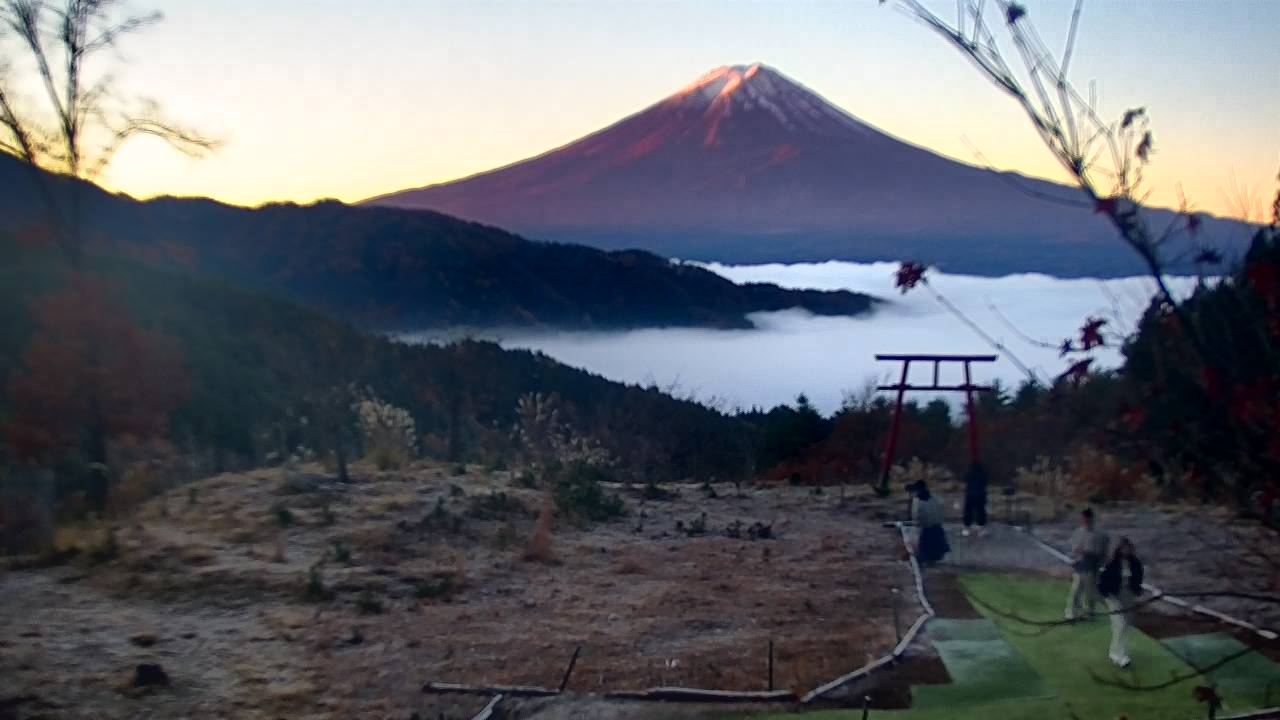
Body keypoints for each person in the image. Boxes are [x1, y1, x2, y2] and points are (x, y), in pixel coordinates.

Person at [1097, 537, 1144, 667]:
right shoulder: (1112, 564)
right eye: (1124, 548)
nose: (1126, 550)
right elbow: (1103, 580)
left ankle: (1116, 651)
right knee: (1120, 623)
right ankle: (1120, 655)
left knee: (1127, 625)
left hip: (1127, 596)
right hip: (1113, 596)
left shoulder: (1135, 563)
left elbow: (1138, 578)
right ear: (1119, 549)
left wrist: (1137, 590)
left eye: (1128, 548)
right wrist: (1106, 594)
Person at [1065, 508, 1109, 620]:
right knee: (1075, 591)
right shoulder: (1078, 532)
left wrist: (1088, 553)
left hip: (1092, 567)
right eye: (1082, 518)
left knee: (1090, 593)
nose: (1083, 521)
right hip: (1080, 566)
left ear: (1090, 518)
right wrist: (1075, 554)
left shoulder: (1099, 534)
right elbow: (1073, 547)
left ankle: (1089, 613)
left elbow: (1101, 552)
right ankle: (1071, 614)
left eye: (1085, 518)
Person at [911, 481, 950, 566]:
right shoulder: (935, 497)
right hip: (935, 527)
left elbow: (916, 517)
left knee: (927, 548)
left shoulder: (918, 500)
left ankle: (928, 560)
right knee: (932, 549)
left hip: (929, 528)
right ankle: (930, 560)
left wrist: (917, 526)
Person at [961, 462, 989, 537]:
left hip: (970, 495)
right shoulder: (983, 474)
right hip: (980, 495)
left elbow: (965, 479)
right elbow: (986, 481)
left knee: (968, 512)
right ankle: (981, 529)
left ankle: (967, 528)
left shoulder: (969, 473)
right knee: (981, 512)